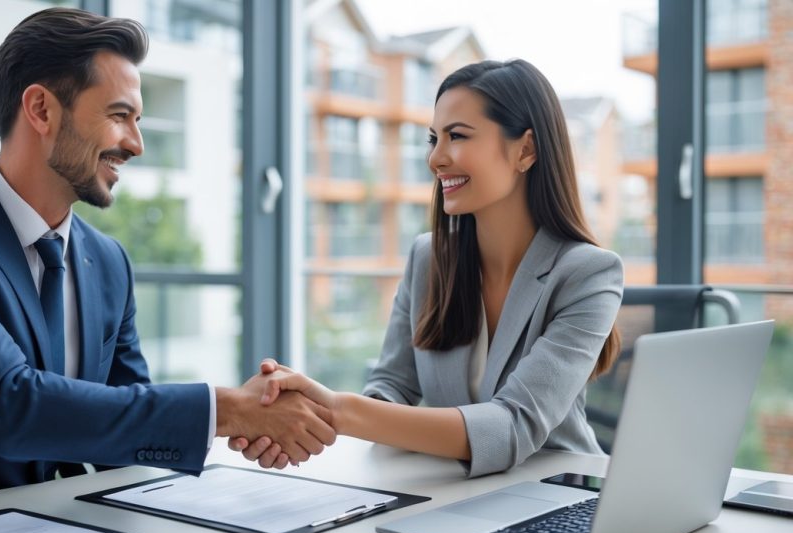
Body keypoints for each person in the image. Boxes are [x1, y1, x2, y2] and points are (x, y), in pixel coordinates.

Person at [0, 8, 333, 523]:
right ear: (41, 109)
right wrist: (225, 410)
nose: (135, 144)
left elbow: (119, 424)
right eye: (118, 115)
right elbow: (8, 405)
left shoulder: (107, 261)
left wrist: (249, 425)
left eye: (137, 120)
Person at [233, 59, 622, 477]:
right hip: (454, 490)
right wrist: (305, 417)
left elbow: (513, 425)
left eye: (456, 135)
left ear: (525, 149)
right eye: (434, 138)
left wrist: (338, 409)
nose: (436, 159)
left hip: (562, 494)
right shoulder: (428, 259)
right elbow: (392, 387)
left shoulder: (588, 274)